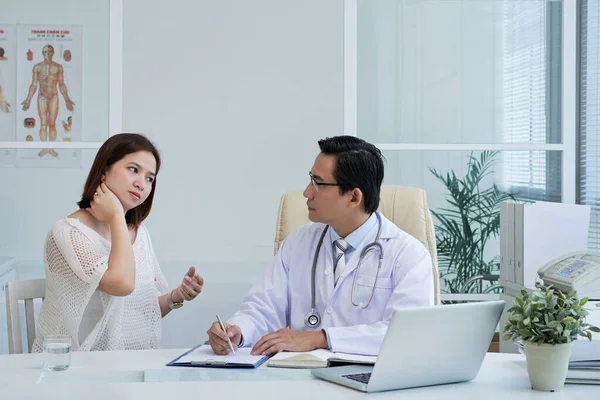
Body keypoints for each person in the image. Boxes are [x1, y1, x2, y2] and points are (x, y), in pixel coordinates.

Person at [207, 136, 434, 356]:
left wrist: (321, 338)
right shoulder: (297, 243)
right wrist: (238, 331)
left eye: (318, 183)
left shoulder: (409, 255)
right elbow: (263, 308)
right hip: (298, 378)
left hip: (369, 383)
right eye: (310, 179)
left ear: (354, 197)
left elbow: (406, 335)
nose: (307, 192)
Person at [33, 133, 204, 352]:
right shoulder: (67, 232)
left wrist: (175, 296)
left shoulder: (139, 234)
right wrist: (116, 217)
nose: (141, 184)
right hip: (72, 368)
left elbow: (140, 311)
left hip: (130, 365)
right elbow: (122, 285)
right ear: (104, 171)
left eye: (149, 178)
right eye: (133, 170)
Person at [21, 45, 74, 158]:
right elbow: (34, 84)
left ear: (53, 52)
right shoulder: (37, 67)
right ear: (42, 53)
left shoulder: (58, 67)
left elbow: (61, 84)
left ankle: (51, 148)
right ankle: (45, 148)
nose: (48, 53)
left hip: (54, 96)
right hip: (42, 97)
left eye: (50, 51)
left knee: (52, 123)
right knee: (43, 123)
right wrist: (28, 100)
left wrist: (67, 100)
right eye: (45, 51)